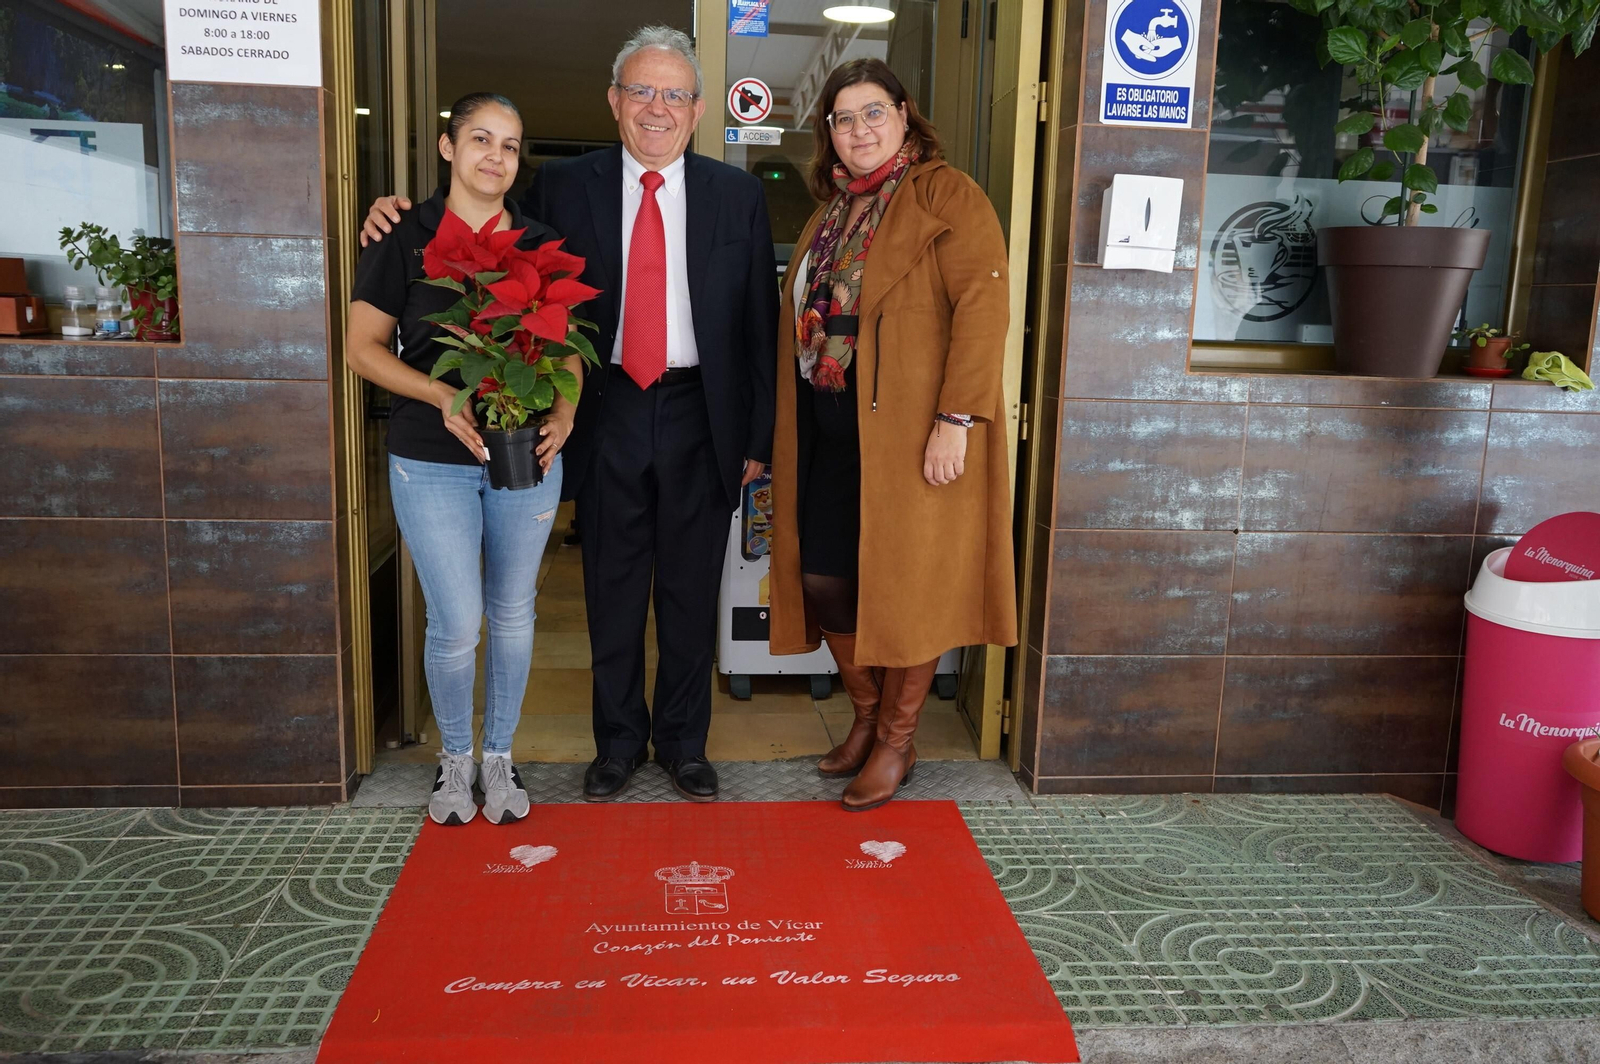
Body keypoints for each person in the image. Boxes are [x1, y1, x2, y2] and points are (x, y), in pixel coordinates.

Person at [362, 28, 777, 803]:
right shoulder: (558, 188)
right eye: (642, 92)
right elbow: (471, 216)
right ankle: (617, 743)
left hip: (702, 414)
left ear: (695, 110)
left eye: (675, 95)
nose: (658, 108)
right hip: (601, 403)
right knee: (611, 585)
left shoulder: (737, 196)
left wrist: (758, 439)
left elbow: (757, 325)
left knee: (690, 588)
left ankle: (685, 744)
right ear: (615, 102)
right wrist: (393, 213)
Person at [768, 58, 1017, 812]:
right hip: (829, 427)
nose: (858, 130)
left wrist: (957, 419)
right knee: (826, 576)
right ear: (829, 136)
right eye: (843, 119)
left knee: (910, 588)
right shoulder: (829, 212)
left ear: (905, 115)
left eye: (873, 112)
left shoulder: (947, 193)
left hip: (915, 432)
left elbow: (982, 307)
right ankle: (868, 716)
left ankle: (898, 742)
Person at [348, 93, 579, 826]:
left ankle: (501, 754)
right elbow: (361, 350)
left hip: (524, 451)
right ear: (448, 148)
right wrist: (441, 397)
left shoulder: (539, 239)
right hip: (430, 457)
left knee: (514, 612)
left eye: (510, 146)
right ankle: (455, 760)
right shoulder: (404, 235)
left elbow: (565, 352)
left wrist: (567, 410)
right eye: (480, 139)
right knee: (457, 620)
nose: (495, 157)